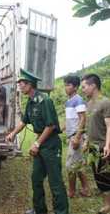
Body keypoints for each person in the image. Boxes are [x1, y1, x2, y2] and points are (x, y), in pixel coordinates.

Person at [6, 68, 69, 214]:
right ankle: (40, 210)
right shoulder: (30, 101)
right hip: (40, 144)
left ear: (29, 85)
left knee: (55, 181)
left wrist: (37, 143)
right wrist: (12, 133)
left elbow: (51, 125)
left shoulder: (44, 101)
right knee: (36, 179)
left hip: (51, 144)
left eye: (21, 83)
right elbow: (24, 121)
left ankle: (61, 212)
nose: (20, 86)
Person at [81, 74, 110, 213]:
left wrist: (108, 145)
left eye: (84, 87)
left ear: (93, 86)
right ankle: (107, 204)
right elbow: (90, 125)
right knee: (99, 176)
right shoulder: (90, 104)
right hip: (93, 147)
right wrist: (86, 141)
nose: (83, 90)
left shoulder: (105, 102)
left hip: (103, 146)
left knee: (106, 176)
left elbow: (109, 126)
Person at [60, 75, 91, 198]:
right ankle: (86, 189)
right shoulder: (69, 102)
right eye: (65, 85)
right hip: (71, 136)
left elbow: (83, 119)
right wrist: (59, 129)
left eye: (69, 85)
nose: (66, 88)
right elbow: (68, 121)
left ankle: (71, 192)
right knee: (78, 164)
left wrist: (78, 137)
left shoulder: (78, 100)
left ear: (76, 87)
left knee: (70, 165)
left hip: (75, 136)